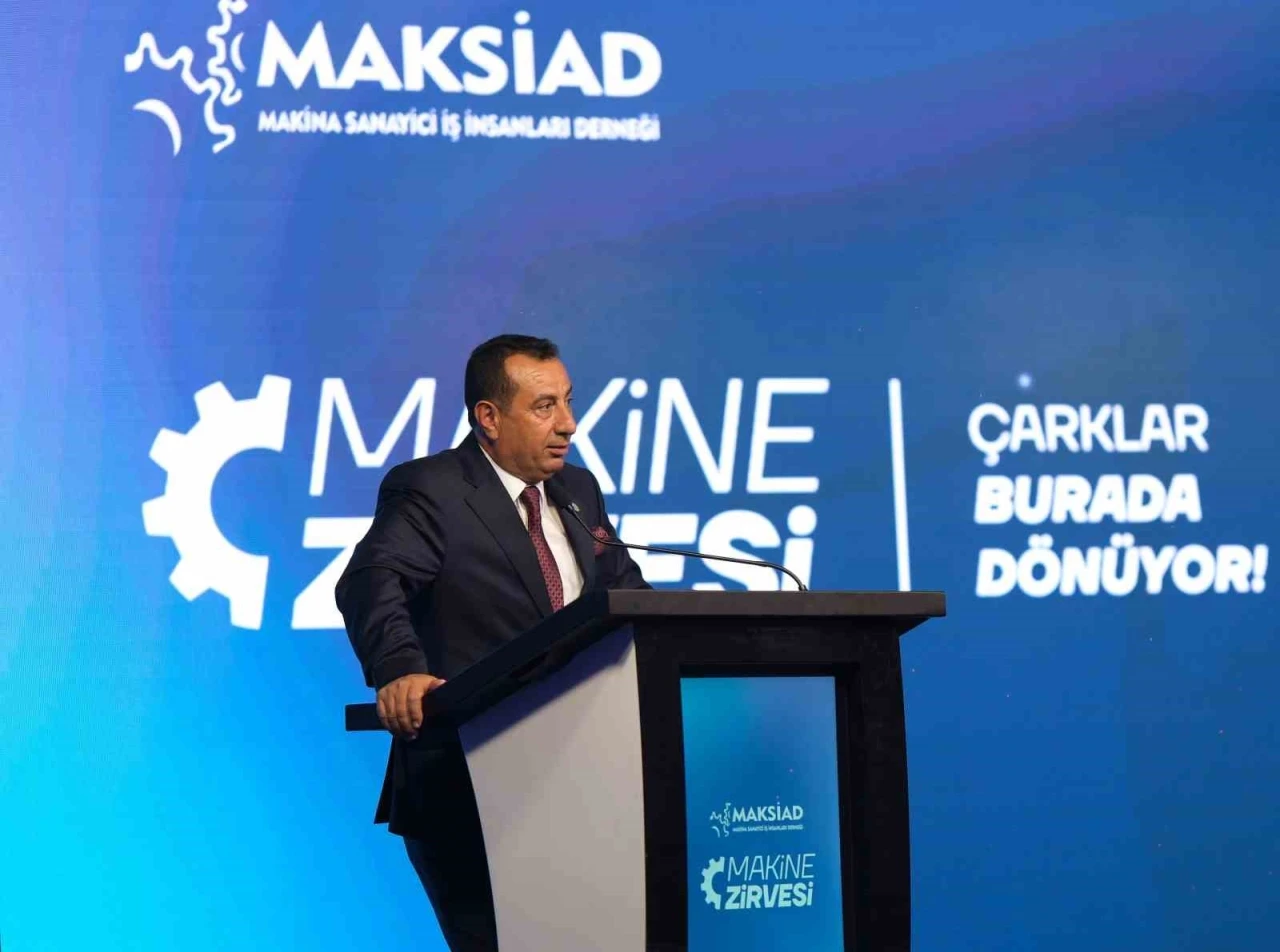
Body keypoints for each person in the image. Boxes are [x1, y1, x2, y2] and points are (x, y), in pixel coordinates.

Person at [335, 334, 649, 951]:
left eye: (568, 401)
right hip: (468, 784)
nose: (568, 424)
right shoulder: (434, 489)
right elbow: (372, 579)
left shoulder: (578, 493)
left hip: (586, 780)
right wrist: (398, 666)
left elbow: (627, 597)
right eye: (545, 406)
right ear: (489, 417)